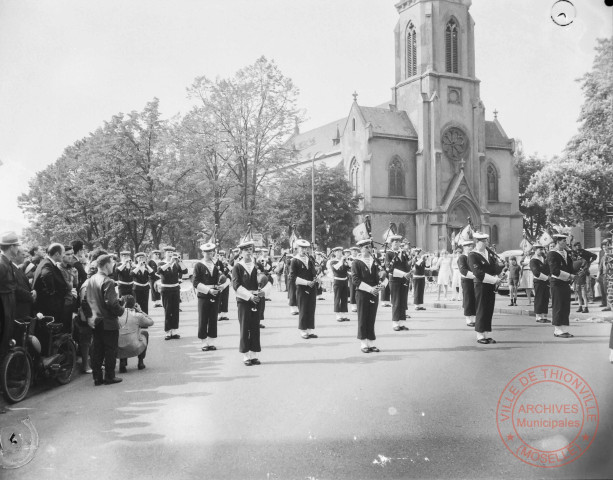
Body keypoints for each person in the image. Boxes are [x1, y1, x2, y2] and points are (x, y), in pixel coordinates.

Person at [87, 253, 125, 385]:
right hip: (108, 321)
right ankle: (110, 376)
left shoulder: (91, 279)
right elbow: (112, 303)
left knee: (97, 350)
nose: (113, 266)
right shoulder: (108, 281)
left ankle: (97, 377)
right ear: (107, 264)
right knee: (110, 349)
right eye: (111, 263)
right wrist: (121, 310)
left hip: (95, 320)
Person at [468, 232, 504, 344]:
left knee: (488, 309)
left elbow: (493, 269)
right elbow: (478, 273)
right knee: (481, 309)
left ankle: (486, 334)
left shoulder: (488, 254)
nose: (486, 243)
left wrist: (500, 268)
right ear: (477, 242)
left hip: (490, 285)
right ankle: (480, 335)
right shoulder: (472, 255)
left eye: (486, 241)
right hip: (481, 285)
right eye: (484, 241)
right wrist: (495, 280)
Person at [232, 239, 263, 366]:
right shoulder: (237, 267)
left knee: (255, 327)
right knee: (245, 327)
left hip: (256, 298)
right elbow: (236, 285)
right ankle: (246, 355)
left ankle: (254, 354)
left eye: (250, 250)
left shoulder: (257, 265)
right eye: (246, 250)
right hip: (244, 300)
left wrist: (263, 291)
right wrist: (249, 296)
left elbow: (267, 279)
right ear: (241, 252)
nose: (249, 253)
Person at [351, 239, 383, 353]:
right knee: (363, 318)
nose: (368, 250)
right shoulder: (356, 262)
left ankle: (371, 342)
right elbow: (355, 280)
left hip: (374, 293)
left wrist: (380, 286)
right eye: (366, 248)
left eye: (369, 247)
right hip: (363, 293)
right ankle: (363, 343)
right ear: (361, 249)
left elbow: (379, 277)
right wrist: (370, 289)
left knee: (371, 318)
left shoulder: (374, 262)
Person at [193, 242, 222, 351]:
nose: (209, 254)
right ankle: (203, 342)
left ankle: (211, 341)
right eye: (207, 252)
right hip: (204, 295)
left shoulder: (217, 264)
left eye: (211, 251)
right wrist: (209, 290)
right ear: (202, 253)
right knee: (203, 318)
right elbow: (195, 282)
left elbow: (227, 276)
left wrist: (222, 286)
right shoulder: (199, 265)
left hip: (216, 294)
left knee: (213, 318)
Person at [547, 233, 576, 338]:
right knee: (558, 305)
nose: (565, 243)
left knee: (565, 306)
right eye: (563, 241)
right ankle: (557, 330)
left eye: (565, 240)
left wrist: (574, 273)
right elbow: (554, 271)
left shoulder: (565, 253)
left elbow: (570, 267)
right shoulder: (552, 254)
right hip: (557, 283)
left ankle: (563, 329)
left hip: (565, 283)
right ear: (558, 241)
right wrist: (569, 276)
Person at [32, 243, 69, 324]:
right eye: (63, 253)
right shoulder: (47, 265)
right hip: (49, 308)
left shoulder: (47, 262)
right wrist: (54, 296)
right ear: (57, 254)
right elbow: (46, 277)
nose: (64, 255)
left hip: (50, 306)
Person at [290, 239, 319, 339]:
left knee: (311, 308)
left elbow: (313, 271)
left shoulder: (310, 258)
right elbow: (292, 277)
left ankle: (309, 330)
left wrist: (316, 277)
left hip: (312, 287)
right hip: (302, 287)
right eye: (301, 248)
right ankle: (303, 331)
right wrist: (306, 282)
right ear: (297, 249)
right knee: (303, 309)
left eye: (305, 248)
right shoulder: (294, 260)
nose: (303, 250)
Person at [157, 246, 187, 340]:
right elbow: (159, 271)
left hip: (175, 289)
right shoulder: (161, 263)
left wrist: (180, 261)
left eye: (171, 252)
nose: (170, 254)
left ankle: (174, 330)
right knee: (168, 310)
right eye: (168, 252)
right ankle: (167, 331)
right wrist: (170, 263)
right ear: (165, 253)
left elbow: (185, 271)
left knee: (175, 310)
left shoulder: (176, 264)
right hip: (166, 289)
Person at [117, 295, 154, 372]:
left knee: (122, 336)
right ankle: (140, 362)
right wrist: (140, 311)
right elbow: (151, 322)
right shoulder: (138, 315)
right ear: (134, 305)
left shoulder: (116, 315)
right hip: (134, 346)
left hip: (118, 348)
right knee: (145, 333)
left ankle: (122, 362)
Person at [385, 235, 411, 332]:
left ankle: (401, 322)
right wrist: (404, 273)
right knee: (396, 301)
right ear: (391, 243)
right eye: (395, 242)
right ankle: (395, 323)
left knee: (402, 301)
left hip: (403, 279)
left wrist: (409, 270)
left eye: (398, 242)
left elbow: (406, 265)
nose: (397, 244)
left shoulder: (403, 253)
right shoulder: (389, 254)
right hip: (394, 279)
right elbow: (389, 269)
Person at [0, 232, 19, 357]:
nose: (18, 248)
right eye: (17, 246)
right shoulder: (2, 265)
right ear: (11, 247)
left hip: (8, 305)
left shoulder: (8, 263)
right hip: (3, 307)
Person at [12, 246, 36, 319]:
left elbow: (25, 284)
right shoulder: (11, 269)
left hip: (25, 307)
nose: (25, 256)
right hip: (19, 309)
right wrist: (30, 296)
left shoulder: (17, 268)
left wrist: (32, 290)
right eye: (22, 254)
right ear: (15, 255)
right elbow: (16, 288)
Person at [530, 244, 551, 323]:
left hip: (546, 281)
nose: (541, 251)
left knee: (545, 298)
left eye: (542, 249)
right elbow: (536, 272)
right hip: (538, 281)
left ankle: (544, 316)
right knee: (539, 298)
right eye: (539, 249)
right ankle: (538, 317)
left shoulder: (544, 258)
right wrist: (547, 278)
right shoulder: (533, 260)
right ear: (535, 250)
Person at [328, 247, 350, 322]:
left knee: (344, 298)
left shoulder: (343, 261)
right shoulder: (332, 262)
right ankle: (338, 315)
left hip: (345, 280)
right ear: (334, 253)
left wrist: (347, 261)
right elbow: (337, 268)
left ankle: (344, 314)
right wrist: (342, 261)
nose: (339, 253)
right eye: (337, 252)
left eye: (340, 252)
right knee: (337, 298)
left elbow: (349, 268)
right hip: (337, 281)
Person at [458, 239, 476, 327]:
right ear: (464, 247)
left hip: (473, 280)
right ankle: (468, 319)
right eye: (468, 246)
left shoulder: (472, 256)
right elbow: (463, 270)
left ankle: (473, 317)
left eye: (471, 246)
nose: (470, 248)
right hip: (467, 280)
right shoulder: (462, 257)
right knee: (468, 299)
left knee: (473, 299)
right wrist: (475, 275)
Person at [216, 250, 231, 320]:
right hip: (219, 283)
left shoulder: (226, 264)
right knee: (219, 299)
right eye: (220, 255)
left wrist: (227, 265)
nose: (222, 257)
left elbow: (230, 272)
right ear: (218, 256)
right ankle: (218, 314)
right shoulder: (216, 263)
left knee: (225, 298)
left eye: (223, 256)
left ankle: (223, 314)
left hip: (226, 283)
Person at [598, 240, 610, 311]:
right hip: (605, 276)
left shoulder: (611, 256)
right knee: (606, 291)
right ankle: (608, 306)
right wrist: (597, 277)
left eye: (606, 246)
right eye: (603, 247)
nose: (605, 248)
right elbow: (600, 268)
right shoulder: (603, 257)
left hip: (610, 276)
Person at [348, 246, 360, 313]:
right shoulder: (349, 258)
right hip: (351, 275)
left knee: (358, 290)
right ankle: (353, 306)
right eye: (353, 251)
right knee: (352, 290)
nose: (354, 252)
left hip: (358, 276)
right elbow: (348, 267)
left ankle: (358, 304)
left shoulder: (359, 258)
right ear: (351, 252)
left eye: (356, 251)